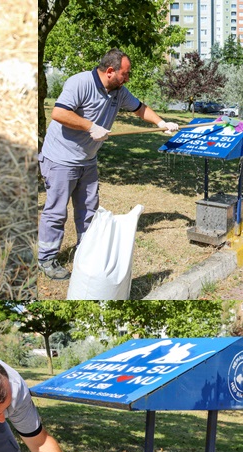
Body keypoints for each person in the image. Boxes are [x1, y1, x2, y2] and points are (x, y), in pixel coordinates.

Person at [38, 48, 179, 280]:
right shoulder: (80, 83)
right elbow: (59, 113)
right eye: (125, 73)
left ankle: (85, 251)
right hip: (61, 159)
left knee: (89, 210)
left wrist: (162, 122)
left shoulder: (118, 91)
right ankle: (47, 258)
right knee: (56, 211)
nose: (128, 78)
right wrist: (90, 126)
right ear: (111, 71)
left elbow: (139, 108)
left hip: (88, 160)